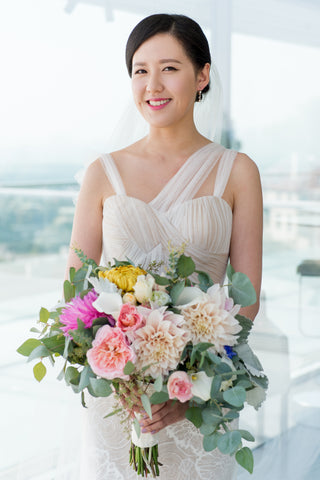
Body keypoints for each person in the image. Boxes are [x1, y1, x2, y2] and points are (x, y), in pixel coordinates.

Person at [65, 13, 263, 480]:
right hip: (121, 400)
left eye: (170, 68)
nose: (153, 84)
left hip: (202, 401)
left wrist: (190, 389)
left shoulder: (237, 171)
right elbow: (77, 295)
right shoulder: (102, 172)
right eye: (140, 70)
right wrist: (126, 378)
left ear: (202, 75)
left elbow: (247, 300)